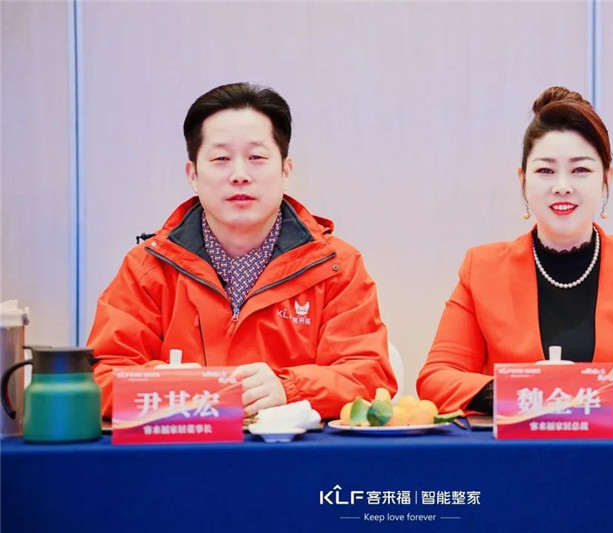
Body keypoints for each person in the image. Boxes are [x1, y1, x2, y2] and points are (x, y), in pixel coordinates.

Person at [88, 82, 396, 419]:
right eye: (221, 159)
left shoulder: (337, 267)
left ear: (285, 171)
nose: (239, 175)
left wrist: (289, 389)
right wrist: (166, 386)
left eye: (256, 158)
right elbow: (99, 377)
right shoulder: (147, 268)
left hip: (292, 450)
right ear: (193, 175)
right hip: (184, 448)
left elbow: (369, 375)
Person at [417, 86, 613, 415]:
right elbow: (436, 379)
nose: (562, 186)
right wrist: (521, 389)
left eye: (580, 170)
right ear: (523, 180)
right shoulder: (483, 268)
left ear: (606, 179)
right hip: (517, 446)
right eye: (545, 171)